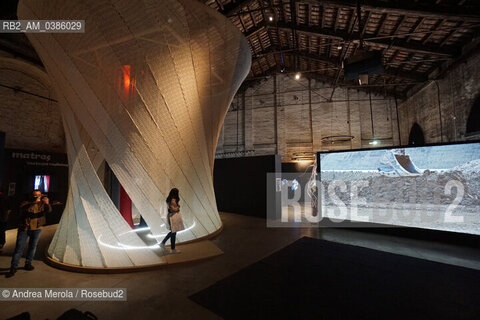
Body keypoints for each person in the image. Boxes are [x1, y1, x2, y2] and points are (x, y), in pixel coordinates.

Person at [6, 190, 52, 278]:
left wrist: (47, 203)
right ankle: (13, 267)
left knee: (32, 247)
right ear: (31, 196)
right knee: (19, 248)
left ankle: (28, 263)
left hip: (37, 229)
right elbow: (23, 209)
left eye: (39, 195)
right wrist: (34, 202)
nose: (37, 197)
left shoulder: (42, 203)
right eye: (35, 195)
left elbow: (49, 210)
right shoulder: (25, 203)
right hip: (24, 229)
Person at [160, 188, 182, 254]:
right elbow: (173, 209)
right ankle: (172, 249)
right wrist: (178, 207)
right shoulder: (173, 200)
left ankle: (163, 243)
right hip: (173, 216)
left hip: (171, 216)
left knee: (173, 232)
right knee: (173, 233)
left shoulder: (169, 199)